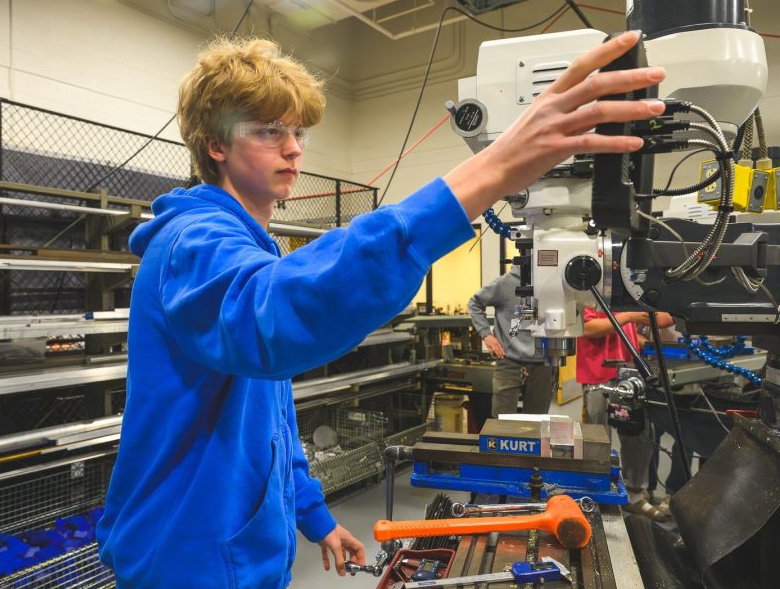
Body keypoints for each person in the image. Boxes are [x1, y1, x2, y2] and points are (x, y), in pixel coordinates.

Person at [96, 32, 666, 587]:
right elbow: (274, 317)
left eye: (297, 131)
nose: (293, 148)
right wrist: (491, 170)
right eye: (269, 130)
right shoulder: (192, 242)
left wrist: (313, 517)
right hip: (186, 559)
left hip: (241, 555)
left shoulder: (250, 245)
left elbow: (269, 421)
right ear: (215, 145)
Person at [577, 308, 673, 521]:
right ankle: (597, 493)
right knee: (597, 438)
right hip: (598, 373)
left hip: (628, 371)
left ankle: (635, 495)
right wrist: (629, 317)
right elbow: (588, 328)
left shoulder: (629, 294)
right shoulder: (591, 294)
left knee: (638, 434)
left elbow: (663, 318)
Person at [468, 270, 556, 419]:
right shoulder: (504, 284)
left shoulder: (551, 283)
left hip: (542, 364)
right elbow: (475, 303)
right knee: (502, 421)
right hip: (509, 362)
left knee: (536, 422)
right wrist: (486, 334)